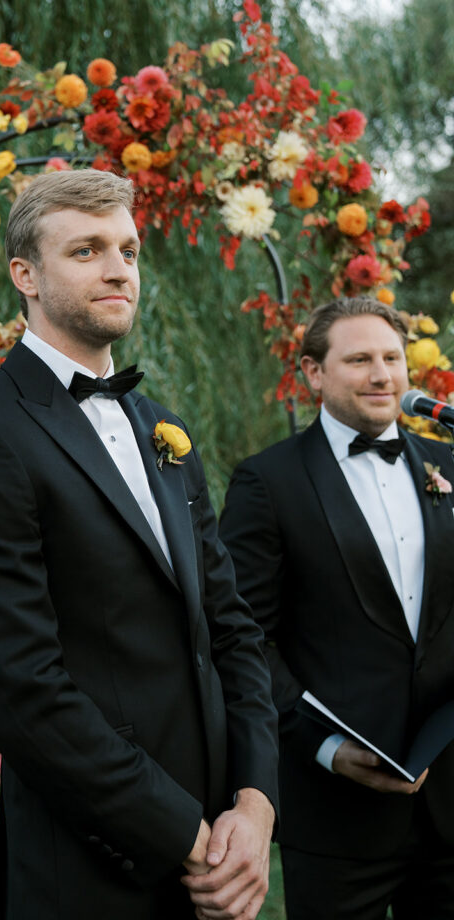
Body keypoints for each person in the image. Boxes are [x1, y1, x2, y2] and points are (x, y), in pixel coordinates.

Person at [0, 169, 278, 920]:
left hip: (223, 852)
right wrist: (186, 837)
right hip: (91, 867)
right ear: (25, 275)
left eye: (129, 249)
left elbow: (233, 630)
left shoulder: (162, 428)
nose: (118, 268)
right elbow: (23, 689)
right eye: (85, 250)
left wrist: (255, 809)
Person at [219, 296, 454, 920]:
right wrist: (322, 746)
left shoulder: (447, 465)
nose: (381, 375)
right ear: (313, 373)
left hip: (451, 806)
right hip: (333, 812)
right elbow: (244, 638)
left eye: (392, 358)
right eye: (359, 360)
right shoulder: (267, 482)